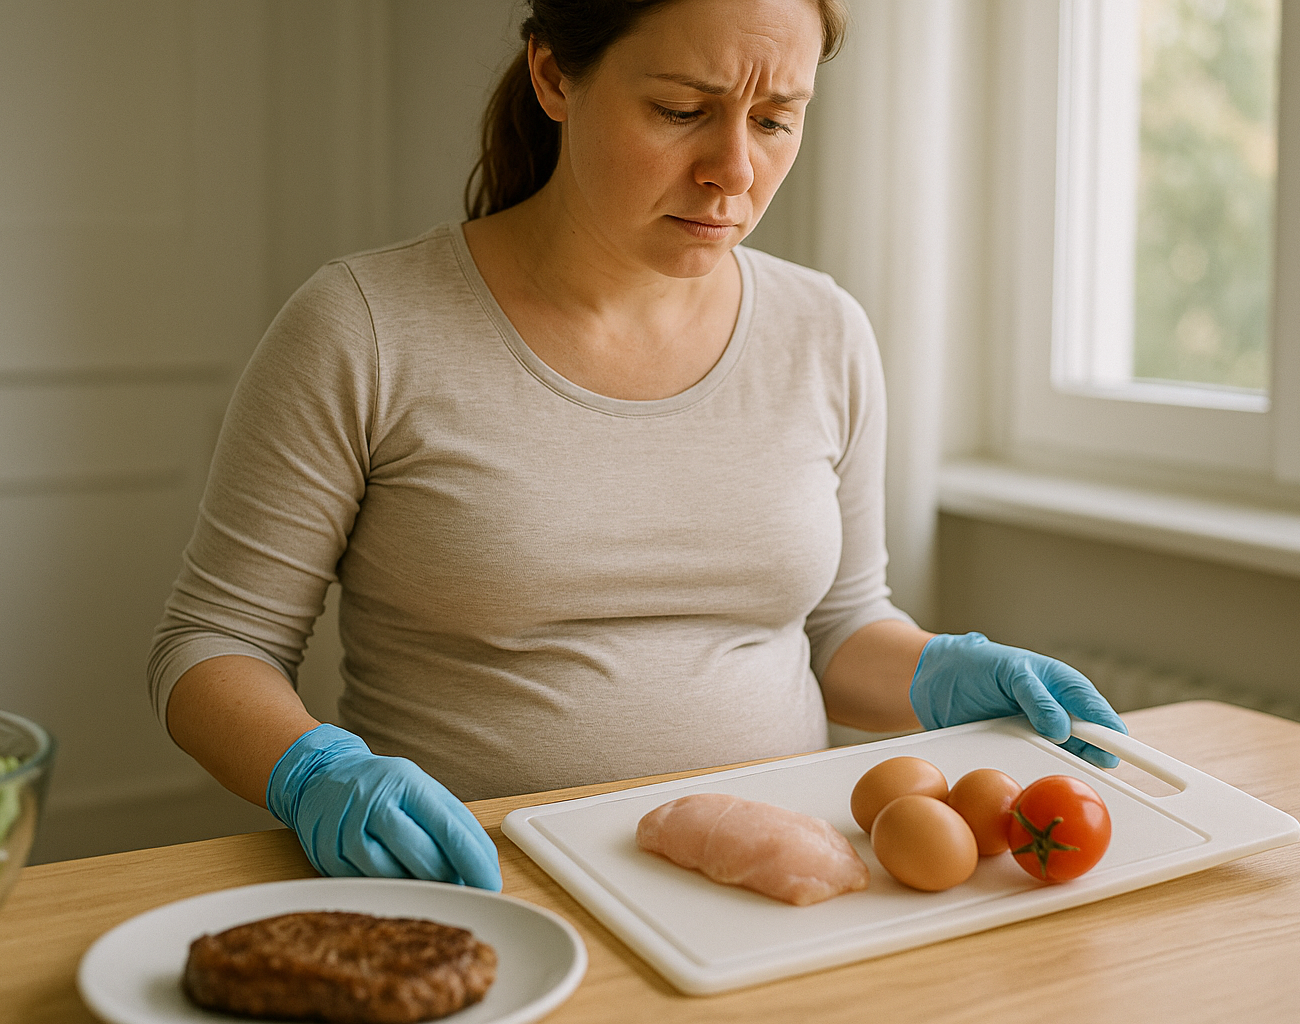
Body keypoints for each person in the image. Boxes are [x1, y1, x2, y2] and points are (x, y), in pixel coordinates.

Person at [149, 0, 1127, 892]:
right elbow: (213, 643)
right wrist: (314, 770)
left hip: (776, 891)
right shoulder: (365, 327)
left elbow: (841, 628)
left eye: (775, 119)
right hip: (483, 891)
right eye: (680, 110)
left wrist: (940, 668)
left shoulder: (824, 331)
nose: (733, 171)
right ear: (553, 76)